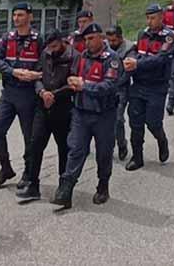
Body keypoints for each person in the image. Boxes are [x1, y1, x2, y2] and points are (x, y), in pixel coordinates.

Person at [51, 23, 123, 209]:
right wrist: (72, 82)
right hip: (81, 112)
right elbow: (74, 75)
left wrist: (84, 86)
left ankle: (103, 185)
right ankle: (65, 190)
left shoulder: (112, 59)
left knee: (104, 153)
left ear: (101, 37)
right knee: (75, 149)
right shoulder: (82, 56)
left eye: (91, 39)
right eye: (86, 40)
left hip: (103, 114)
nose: (88, 43)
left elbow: (109, 86)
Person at [0, 3, 43, 190]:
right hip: (9, 93)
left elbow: (46, 64)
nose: (16, 19)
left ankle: (28, 172)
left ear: (30, 17)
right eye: (15, 15)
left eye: (20, 15)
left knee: (29, 136)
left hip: (28, 94)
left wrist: (36, 75)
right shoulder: (7, 38)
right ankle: (5, 167)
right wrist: (13, 71)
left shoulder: (38, 40)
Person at [18, 30, 74, 202]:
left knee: (64, 149)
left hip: (63, 108)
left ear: (62, 42)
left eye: (55, 46)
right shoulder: (46, 53)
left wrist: (54, 95)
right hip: (43, 106)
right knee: (35, 145)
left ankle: (63, 189)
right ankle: (32, 185)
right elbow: (38, 76)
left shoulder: (74, 56)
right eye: (49, 47)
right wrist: (42, 91)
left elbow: (74, 82)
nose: (52, 50)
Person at [124, 4, 174, 171]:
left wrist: (137, 63)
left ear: (161, 17)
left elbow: (161, 59)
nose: (150, 21)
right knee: (135, 123)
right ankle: (137, 157)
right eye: (148, 17)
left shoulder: (168, 37)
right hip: (138, 85)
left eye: (153, 17)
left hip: (157, 87)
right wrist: (131, 59)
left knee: (153, 123)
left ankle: (162, 140)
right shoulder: (142, 34)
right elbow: (133, 50)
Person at [106, 26, 134, 160]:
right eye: (109, 40)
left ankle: (122, 143)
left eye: (114, 40)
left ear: (121, 38)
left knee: (117, 119)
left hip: (121, 88)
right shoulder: (105, 47)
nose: (111, 43)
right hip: (105, 88)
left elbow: (128, 73)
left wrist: (114, 85)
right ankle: (107, 146)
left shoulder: (129, 48)